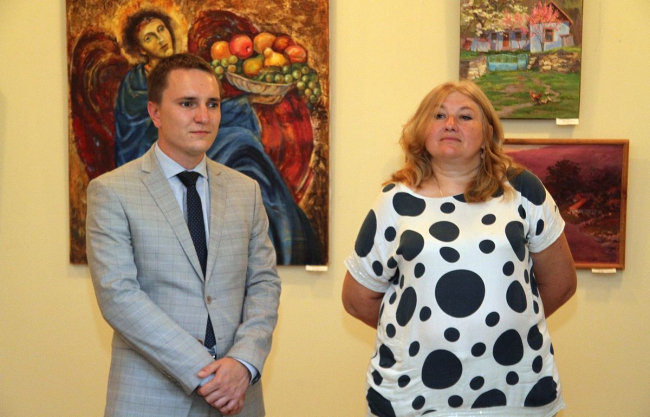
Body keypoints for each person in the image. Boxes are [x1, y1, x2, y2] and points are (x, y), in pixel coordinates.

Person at [342, 80, 576, 417]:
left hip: (514, 388)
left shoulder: (522, 189)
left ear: (487, 132)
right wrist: (417, 334)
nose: (450, 124)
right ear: (422, 130)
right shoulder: (394, 200)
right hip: (415, 393)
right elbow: (357, 298)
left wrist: (507, 330)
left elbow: (560, 283)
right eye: (438, 115)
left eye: (465, 116)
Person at [87, 53, 281, 416]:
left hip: (238, 394)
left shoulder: (246, 190)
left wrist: (243, 362)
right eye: (187, 103)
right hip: (151, 398)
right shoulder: (112, 191)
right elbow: (118, 295)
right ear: (155, 113)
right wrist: (207, 372)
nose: (203, 116)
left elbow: (264, 284)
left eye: (213, 104)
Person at [113, 9, 322, 265]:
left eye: (160, 30)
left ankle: (284, 236)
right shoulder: (134, 86)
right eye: (149, 37)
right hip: (153, 151)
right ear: (140, 49)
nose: (160, 39)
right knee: (238, 145)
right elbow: (134, 136)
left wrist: (248, 100)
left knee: (244, 147)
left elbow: (262, 281)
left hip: (204, 152)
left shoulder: (195, 72)